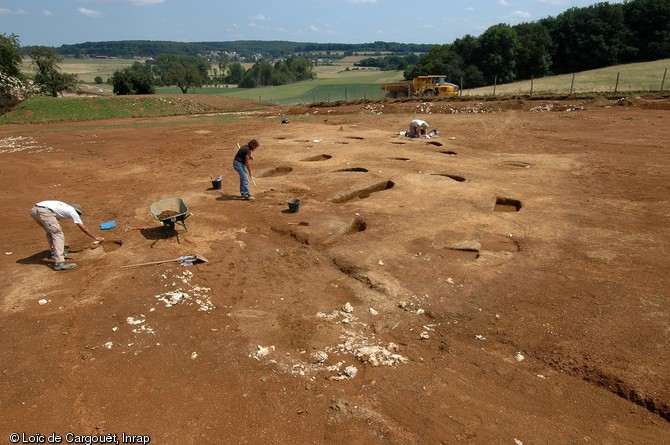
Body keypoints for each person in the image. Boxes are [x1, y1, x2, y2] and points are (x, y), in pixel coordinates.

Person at [30, 201, 104, 271]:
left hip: (34, 210)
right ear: (77, 211)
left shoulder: (64, 207)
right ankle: (60, 263)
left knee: (51, 232)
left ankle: (54, 253)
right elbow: (83, 228)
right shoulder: (72, 211)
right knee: (57, 234)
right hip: (45, 212)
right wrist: (95, 237)